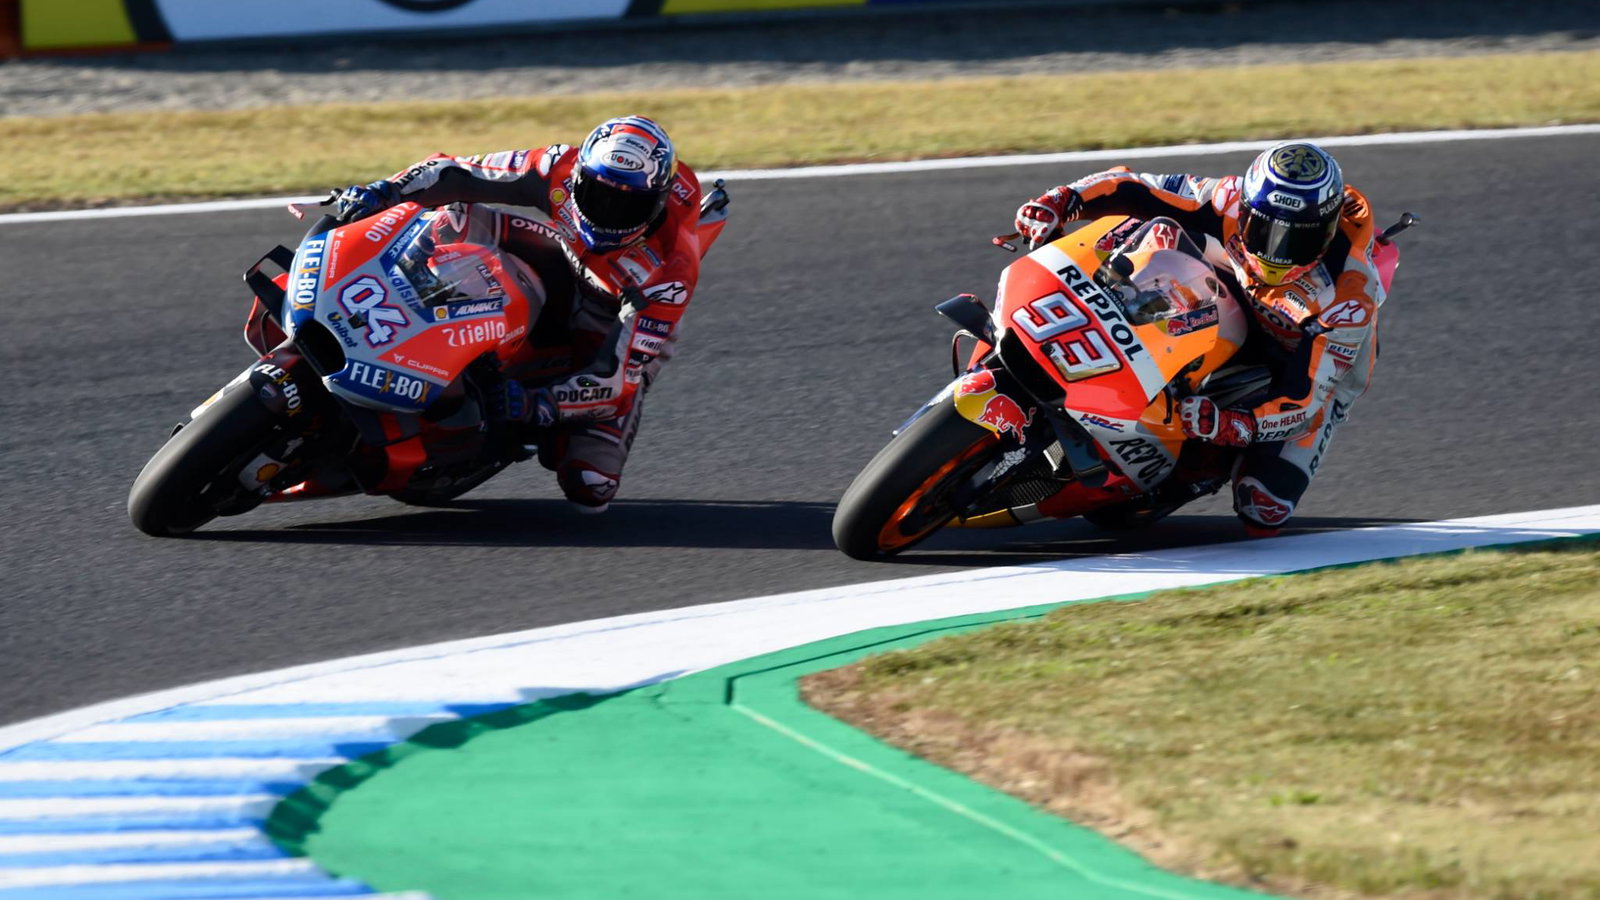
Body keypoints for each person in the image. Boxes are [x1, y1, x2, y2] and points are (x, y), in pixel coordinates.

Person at [334, 115, 708, 513]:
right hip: (560, 256)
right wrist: (384, 191)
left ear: (658, 202)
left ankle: (515, 424)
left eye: (628, 205)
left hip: (609, 323)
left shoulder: (670, 272)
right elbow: (455, 171)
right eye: (597, 194)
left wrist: (538, 404)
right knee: (452, 217)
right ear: (579, 175)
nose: (608, 213)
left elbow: (616, 382)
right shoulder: (557, 166)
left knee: (591, 484)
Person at [1012, 141, 1382, 535]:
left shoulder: (1349, 296)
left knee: (1264, 507)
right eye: (1264, 230)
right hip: (1228, 289)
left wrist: (1233, 425)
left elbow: (1306, 401)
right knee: (1146, 238)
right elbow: (1135, 186)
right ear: (1246, 208)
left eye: (1297, 240)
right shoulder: (1227, 198)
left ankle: (1191, 468)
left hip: (1298, 365)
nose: (1278, 252)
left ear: (1327, 231)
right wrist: (1062, 199)